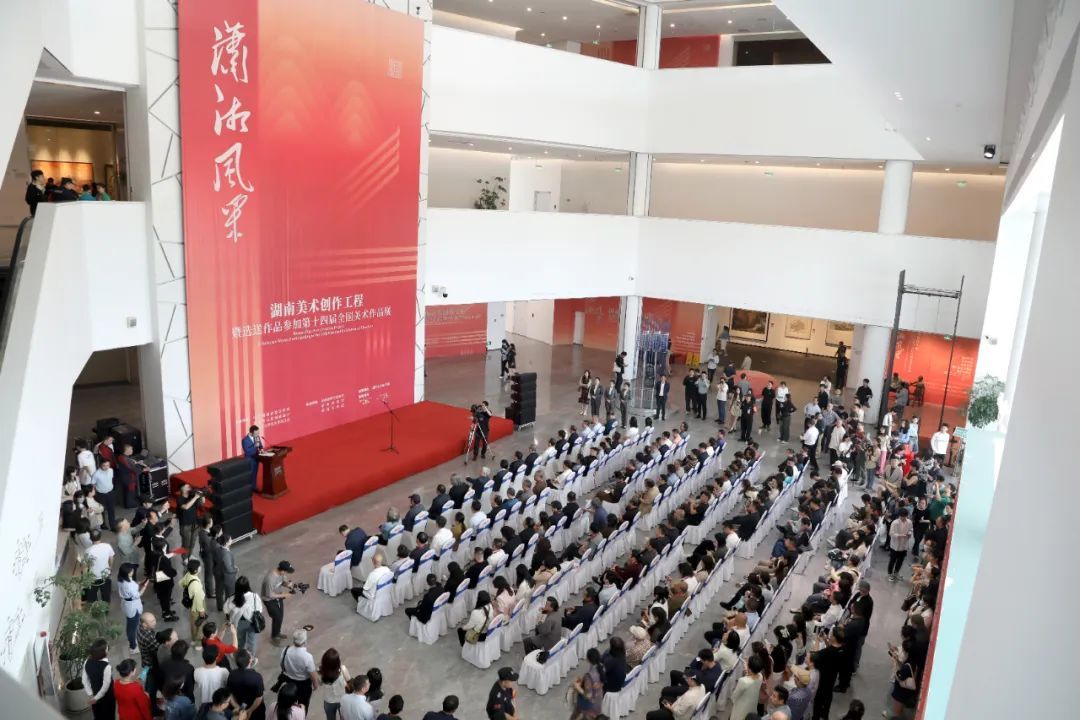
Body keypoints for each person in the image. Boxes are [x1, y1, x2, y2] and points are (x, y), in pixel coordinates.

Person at [280, 630, 320, 709]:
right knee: (303, 704)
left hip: (289, 681)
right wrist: (315, 685)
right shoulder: (307, 657)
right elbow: (312, 674)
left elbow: (282, 665)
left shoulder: (285, 650)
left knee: (290, 702)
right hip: (304, 684)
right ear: (304, 641)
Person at [225, 576, 264, 654]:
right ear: (248, 586)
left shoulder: (233, 598)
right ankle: (251, 657)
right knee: (252, 641)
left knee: (239, 640)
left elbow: (226, 609)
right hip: (252, 622)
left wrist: (228, 620)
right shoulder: (254, 596)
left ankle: (239, 655)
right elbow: (260, 609)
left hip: (239, 622)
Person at [117, 563, 148, 653]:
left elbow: (132, 586)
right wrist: (145, 586)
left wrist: (139, 583)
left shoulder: (121, 579)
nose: (133, 571)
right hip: (132, 606)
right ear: (127, 573)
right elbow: (137, 595)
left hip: (127, 604)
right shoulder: (128, 585)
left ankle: (133, 642)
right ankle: (133, 647)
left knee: (131, 624)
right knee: (132, 628)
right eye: (131, 570)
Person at [227, 650, 266, 720]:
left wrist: (237, 706)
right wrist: (250, 710)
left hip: (238, 704)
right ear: (250, 661)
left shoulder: (232, 674)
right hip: (255, 710)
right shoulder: (257, 677)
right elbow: (259, 698)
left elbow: (230, 694)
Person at [83, 638, 116, 720]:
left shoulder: (87, 661)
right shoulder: (106, 667)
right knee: (109, 716)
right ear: (103, 652)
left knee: (98, 715)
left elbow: (84, 680)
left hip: (94, 692)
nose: (108, 649)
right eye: (107, 648)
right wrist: (96, 698)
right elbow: (105, 686)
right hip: (107, 697)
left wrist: (91, 694)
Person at [263, 560, 295, 640]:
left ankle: (277, 633)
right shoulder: (270, 579)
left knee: (280, 616)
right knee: (276, 617)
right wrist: (285, 595)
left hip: (278, 596)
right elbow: (269, 595)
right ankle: (274, 636)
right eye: (286, 572)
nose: (286, 573)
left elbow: (282, 582)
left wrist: (288, 585)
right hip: (269, 600)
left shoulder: (282, 574)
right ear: (282, 570)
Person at [571, 648, 605, 720]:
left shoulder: (589, 675)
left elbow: (588, 695)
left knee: (577, 715)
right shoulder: (601, 667)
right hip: (598, 699)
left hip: (588, 704)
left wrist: (577, 686)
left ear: (588, 659)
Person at [319, 648, 350, 720]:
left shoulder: (321, 672)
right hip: (342, 700)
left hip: (328, 701)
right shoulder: (342, 669)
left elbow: (319, 683)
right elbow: (349, 681)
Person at [84, 530, 115, 603]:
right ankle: (105, 608)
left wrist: (85, 578)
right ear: (100, 537)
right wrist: (110, 568)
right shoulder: (107, 546)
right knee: (106, 596)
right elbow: (111, 558)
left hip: (93, 577)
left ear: (90, 538)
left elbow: (85, 566)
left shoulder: (88, 551)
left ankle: (95, 607)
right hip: (105, 575)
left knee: (92, 598)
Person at [181, 559, 208, 640]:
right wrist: (201, 610)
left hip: (192, 604)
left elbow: (182, 583)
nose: (200, 567)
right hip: (197, 605)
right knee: (199, 623)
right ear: (196, 570)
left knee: (193, 622)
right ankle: (198, 640)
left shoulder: (188, 575)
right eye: (199, 567)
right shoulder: (195, 583)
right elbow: (198, 598)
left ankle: (194, 638)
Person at [730, 655, 763, 720]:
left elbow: (734, 697)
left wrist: (747, 671)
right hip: (752, 705)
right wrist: (747, 671)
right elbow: (750, 678)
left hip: (741, 708)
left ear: (750, 668)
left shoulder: (743, 681)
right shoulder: (760, 676)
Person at [91, 459, 117, 531]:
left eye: (108, 465)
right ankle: (103, 524)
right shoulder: (96, 474)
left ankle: (113, 526)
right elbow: (93, 484)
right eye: (104, 466)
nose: (106, 467)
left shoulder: (111, 470)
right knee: (101, 510)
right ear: (100, 465)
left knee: (111, 510)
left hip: (110, 493)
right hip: (101, 494)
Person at [242, 425, 265, 491]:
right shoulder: (245, 440)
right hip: (249, 459)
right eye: (256, 433)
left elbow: (260, 445)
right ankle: (249, 487)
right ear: (251, 433)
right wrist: (255, 446)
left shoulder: (257, 437)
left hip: (256, 458)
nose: (258, 435)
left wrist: (261, 449)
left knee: (255, 473)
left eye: (258, 433)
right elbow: (247, 451)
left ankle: (253, 487)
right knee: (250, 473)